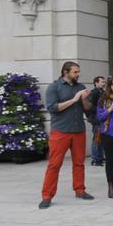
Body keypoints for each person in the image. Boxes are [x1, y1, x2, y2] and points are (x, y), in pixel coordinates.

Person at [39, 61, 94, 209]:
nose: (78, 74)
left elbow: (88, 109)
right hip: (60, 131)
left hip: (78, 131)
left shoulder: (80, 87)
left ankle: (80, 190)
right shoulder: (54, 87)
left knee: (79, 163)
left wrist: (84, 99)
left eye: (78, 72)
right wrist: (74, 99)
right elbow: (52, 108)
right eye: (75, 72)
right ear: (66, 72)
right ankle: (47, 196)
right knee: (54, 165)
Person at [86, 76, 106, 167]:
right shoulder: (93, 93)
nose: (104, 83)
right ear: (96, 83)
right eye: (102, 82)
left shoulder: (103, 92)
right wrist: (101, 109)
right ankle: (95, 159)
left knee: (101, 139)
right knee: (96, 139)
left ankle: (100, 158)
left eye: (104, 81)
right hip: (96, 119)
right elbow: (89, 107)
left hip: (101, 118)